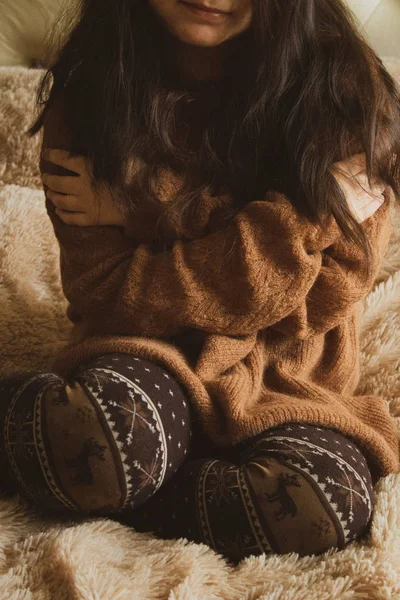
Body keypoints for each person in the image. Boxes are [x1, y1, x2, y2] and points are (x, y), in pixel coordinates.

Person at [0, 0, 399, 564]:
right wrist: (308, 217)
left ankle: (136, 477)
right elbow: (108, 292)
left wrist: (145, 202)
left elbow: (314, 306)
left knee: (323, 506)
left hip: (289, 373)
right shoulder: (93, 88)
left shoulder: (347, 91)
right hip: (147, 350)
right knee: (112, 436)